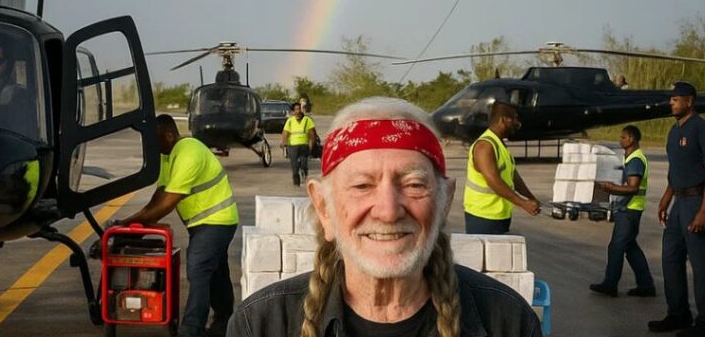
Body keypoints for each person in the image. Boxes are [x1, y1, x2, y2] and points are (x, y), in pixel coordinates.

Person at [226, 97, 542, 337]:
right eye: (362, 185)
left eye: (414, 184)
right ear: (324, 208)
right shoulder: (260, 324)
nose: (388, 211)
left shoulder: (507, 320)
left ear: (444, 202)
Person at [118, 115, 239, 337]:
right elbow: (160, 194)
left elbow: (168, 203)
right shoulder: (169, 156)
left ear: (169, 135)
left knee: (198, 269)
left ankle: (191, 330)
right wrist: (135, 222)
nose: (152, 148)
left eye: (155, 142)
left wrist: (134, 222)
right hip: (204, 224)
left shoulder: (189, 153)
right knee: (216, 273)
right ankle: (225, 321)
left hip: (216, 222)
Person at [648, 82, 705, 337]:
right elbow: (675, 170)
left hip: (698, 200)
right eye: (671, 99)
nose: (672, 103)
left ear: (690, 101)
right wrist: (666, 199)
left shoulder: (702, 129)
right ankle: (678, 314)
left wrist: (704, 211)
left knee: (701, 264)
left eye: (676, 99)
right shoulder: (673, 130)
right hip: (679, 201)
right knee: (670, 258)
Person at [589, 125, 656, 297]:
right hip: (630, 208)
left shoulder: (635, 160)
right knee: (630, 247)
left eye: (623, 137)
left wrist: (611, 188)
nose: (620, 140)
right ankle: (646, 285)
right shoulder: (631, 157)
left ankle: (610, 284)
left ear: (632, 139)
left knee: (616, 247)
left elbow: (633, 188)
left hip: (629, 209)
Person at [464, 101, 540, 234]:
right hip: (483, 217)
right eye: (514, 118)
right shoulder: (485, 146)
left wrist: (531, 198)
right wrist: (523, 203)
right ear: (503, 120)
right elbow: (494, 181)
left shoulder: (498, 144)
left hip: (499, 215)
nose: (517, 123)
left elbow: (513, 177)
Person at [281, 102, 316, 186]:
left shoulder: (307, 120)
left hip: (304, 146)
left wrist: (311, 145)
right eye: (296, 109)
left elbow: (312, 133)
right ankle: (296, 182)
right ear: (293, 111)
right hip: (293, 146)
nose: (298, 111)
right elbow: (285, 132)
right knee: (295, 166)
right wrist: (284, 143)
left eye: (300, 109)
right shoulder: (290, 121)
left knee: (304, 164)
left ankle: (305, 173)